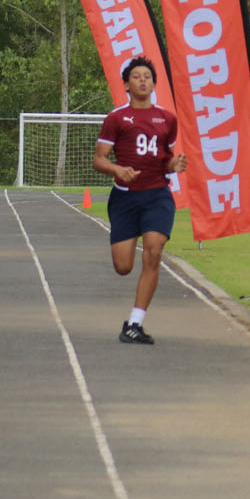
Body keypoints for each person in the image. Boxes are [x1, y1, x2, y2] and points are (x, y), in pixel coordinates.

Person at [92, 56, 188, 345]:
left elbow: (165, 160)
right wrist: (118, 169)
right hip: (125, 199)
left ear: (154, 83)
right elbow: (99, 159)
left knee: (154, 252)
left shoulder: (167, 119)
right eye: (137, 76)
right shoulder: (116, 118)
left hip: (157, 195)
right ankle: (133, 319)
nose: (143, 80)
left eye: (147, 76)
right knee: (123, 267)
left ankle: (135, 323)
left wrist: (175, 165)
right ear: (127, 84)